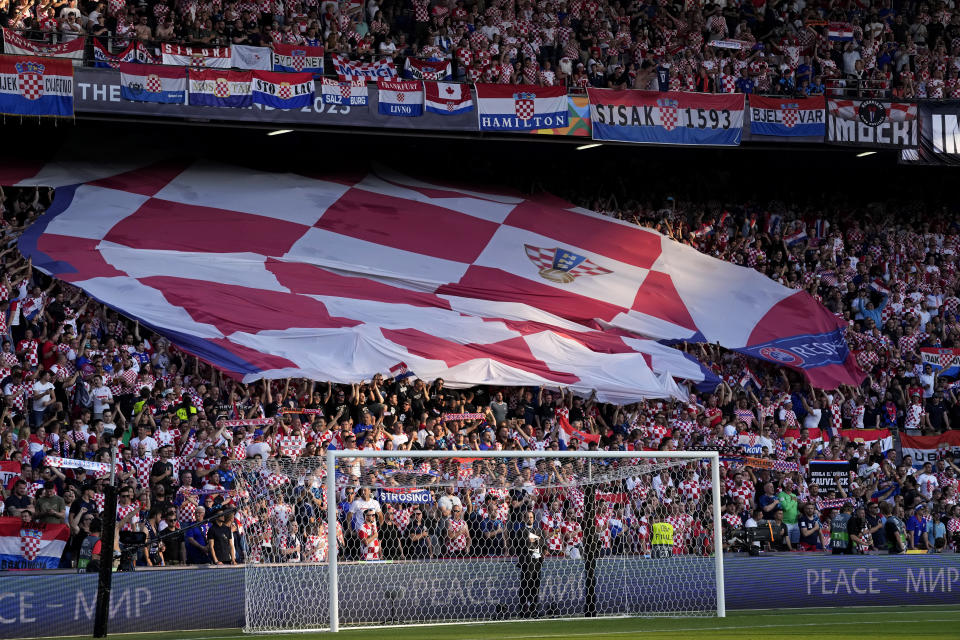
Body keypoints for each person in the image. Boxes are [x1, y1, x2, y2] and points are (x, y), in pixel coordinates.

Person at [514, 509, 544, 617]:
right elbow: (526, 544)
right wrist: (536, 540)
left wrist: (534, 540)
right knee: (525, 586)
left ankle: (533, 609)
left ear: (534, 519)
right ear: (523, 519)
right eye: (527, 517)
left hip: (537, 561)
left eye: (531, 517)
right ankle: (523, 609)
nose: (529, 519)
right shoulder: (520, 531)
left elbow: (541, 544)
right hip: (526, 562)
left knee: (535, 587)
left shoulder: (538, 530)